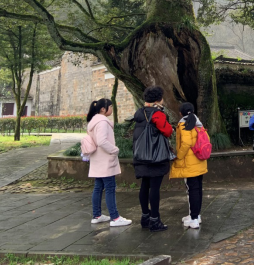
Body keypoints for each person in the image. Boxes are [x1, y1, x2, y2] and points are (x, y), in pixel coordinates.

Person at [132, 86, 173, 232]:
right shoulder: (157, 114)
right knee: (154, 188)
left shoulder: (139, 112)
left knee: (144, 185)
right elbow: (167, 131)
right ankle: (155, 220)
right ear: (158, 99)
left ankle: (145, 217)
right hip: (155, 157)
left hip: (140, 155)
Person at [86, 98, 132, 227]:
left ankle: (97, 215)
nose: (112, 109)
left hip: (97, 159)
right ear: (103, 109)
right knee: (110, 187)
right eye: (110, 107)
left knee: (98, 187)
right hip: (105, 159)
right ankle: (115, 218)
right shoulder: (102, 122)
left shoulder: (93, 122)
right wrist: (114, 150)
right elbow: (102, 141)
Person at [170, 102, 208, 229]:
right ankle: (196, 215)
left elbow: (186, 143)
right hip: (200, 160)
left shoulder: (183, 124)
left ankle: (194, 219)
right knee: (197, 189)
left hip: (189, 163)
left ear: (180, 113)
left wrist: (179, 156)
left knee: (192, 190)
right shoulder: (198, 123)